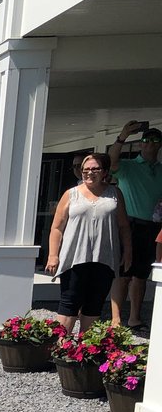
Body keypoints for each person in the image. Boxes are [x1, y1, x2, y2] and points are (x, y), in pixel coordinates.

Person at [46, 152, 132, 334]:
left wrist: (128, 251)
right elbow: (57, 227)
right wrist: (53, 255)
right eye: (85, 169)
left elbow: (123, 226)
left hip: (105, 257)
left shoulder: (115, 194)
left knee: (94, 303)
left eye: (95, 169)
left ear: (105, 171)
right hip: (75, 256)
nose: (89, 173)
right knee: (70, 301)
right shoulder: (71, 194)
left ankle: (84, 350)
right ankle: (60, 347)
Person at [109, 121, 162, 330]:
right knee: (123, 274)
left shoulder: (160, 170)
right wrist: (122, 136)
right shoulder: (128, 166)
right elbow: (111, 161)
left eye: (155, 140)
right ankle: (115, 319)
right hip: (129, 226)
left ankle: (134, 318)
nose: (151, 143)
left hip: (153, 226)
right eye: (147, 140)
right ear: (140, 144)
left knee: (141, 275)